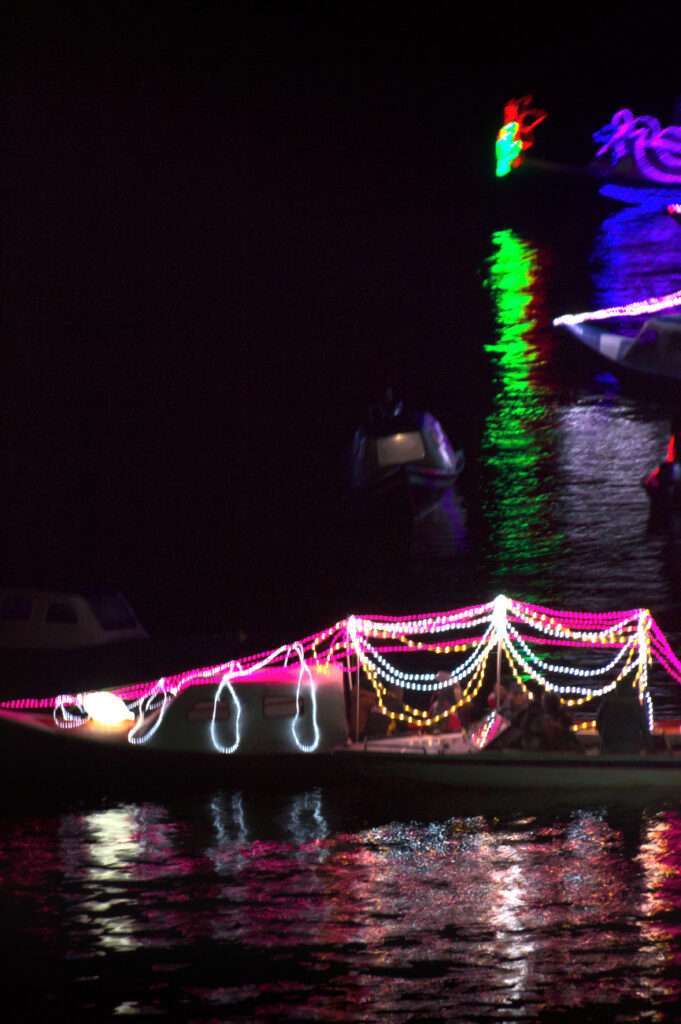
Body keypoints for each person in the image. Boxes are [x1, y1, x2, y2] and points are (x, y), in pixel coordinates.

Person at [596, 683, 651, 755]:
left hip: (608, 748)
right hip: (631, 750)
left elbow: (598, 725)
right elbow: (645, 731)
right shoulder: (636, 706)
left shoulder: (607, 704)